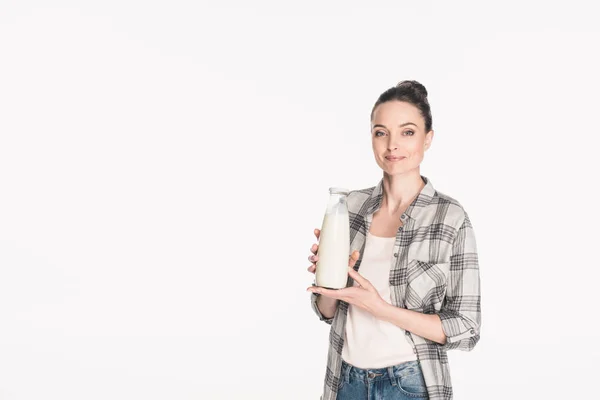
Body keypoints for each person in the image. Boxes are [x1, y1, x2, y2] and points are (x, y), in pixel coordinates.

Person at [306, 80, 481, 400]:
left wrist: (380, 308)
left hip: (408, 383)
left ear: (428, 138)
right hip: (343, 380)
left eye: (408, 132)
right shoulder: (349, 207)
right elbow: (327, 311)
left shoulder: (450, 217)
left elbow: (467, 328)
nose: (392, 145)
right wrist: (327, 282)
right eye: (381, 132)